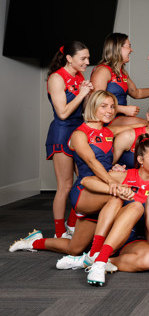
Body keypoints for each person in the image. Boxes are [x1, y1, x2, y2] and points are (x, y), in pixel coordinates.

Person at [11, 91, 139, 258]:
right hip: (84, 192)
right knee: (117, 195)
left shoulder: (108, 132)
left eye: (113, 106)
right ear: (93, 107)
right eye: (104, 106)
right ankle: (94, 255)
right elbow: (92, 162)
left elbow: (132, 126)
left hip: (103, 189)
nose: (110, 110)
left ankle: (33, 241)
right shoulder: (80, 134)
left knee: (75, 248)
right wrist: (112, 181)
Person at [81, 136, 149, 286]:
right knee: (133, 205)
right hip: (116, 232)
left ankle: (99, 261)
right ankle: (99, 258)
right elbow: (86, 181)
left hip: (139, 238)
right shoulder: (125, 175)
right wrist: (116, 188)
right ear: (141, 160)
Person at [45, 41, 93, 239]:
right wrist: (82, 93)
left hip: (78, 131)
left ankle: (72, 223)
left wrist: (88, 95)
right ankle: (59, 232)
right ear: (69, 58)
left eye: (88, 58)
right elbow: (63, 113)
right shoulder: (56, 78)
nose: (87, 62)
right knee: (65, 185)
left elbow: (80, 108)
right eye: (83, 58)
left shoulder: (79, 76)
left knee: (85, 180)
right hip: (62, 132)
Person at [90, 32, 149, 126]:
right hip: (106, 120)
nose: (131, 50)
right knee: (147, 125)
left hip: (119, 118)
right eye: (128, 46)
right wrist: (124, 109)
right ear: (118, 48)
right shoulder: (103, 71)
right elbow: (96, 101)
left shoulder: (123, 73)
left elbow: (137, 93)